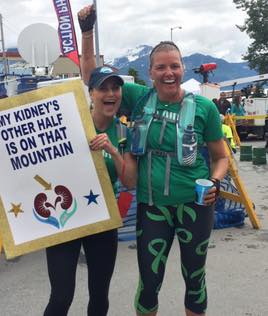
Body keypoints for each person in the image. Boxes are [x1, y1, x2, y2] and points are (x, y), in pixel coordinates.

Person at [79, 5, 229, 316]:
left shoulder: (204, 108)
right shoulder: (139, 98)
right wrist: (88, 31)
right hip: (152, 207)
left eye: (174, 66)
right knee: (148, 282)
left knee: (195, 280)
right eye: (161, 67)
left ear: (183, 69)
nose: (168, 73)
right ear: (151, 73)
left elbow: (221, 157)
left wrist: (214, 181)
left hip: (195, 205)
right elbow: (92, 77)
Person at [0, 67, 137, 315]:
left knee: (99, 295)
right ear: (91, 93)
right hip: (63, 221)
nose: (110, 93)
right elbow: (22, 150)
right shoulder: (69, 119)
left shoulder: (124, 131)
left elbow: (129, 182)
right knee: (61, 298)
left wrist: (113, 150)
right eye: (103, 88)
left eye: (115, 88)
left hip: (101, 220)